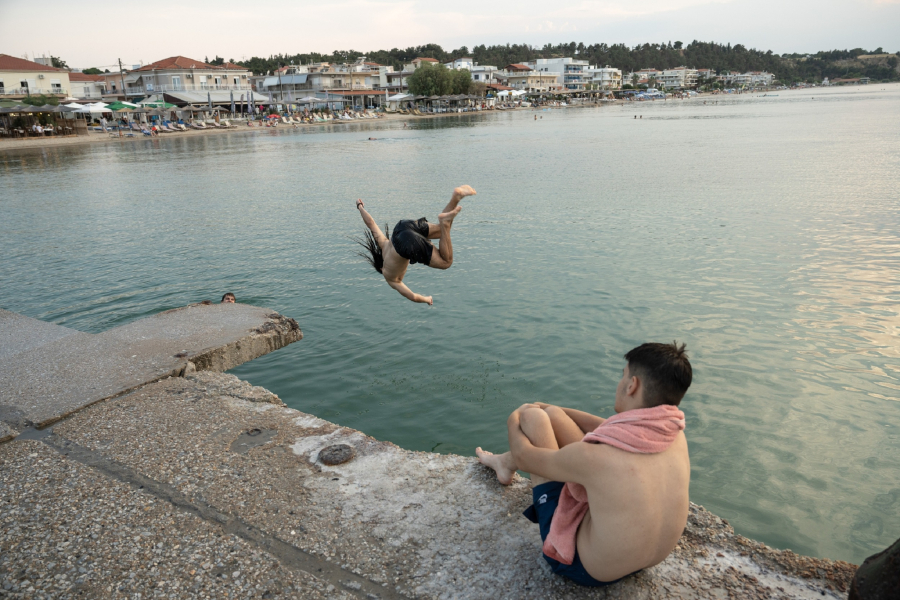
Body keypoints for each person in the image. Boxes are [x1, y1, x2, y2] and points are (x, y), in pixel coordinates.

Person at [476, 342, 693, 587]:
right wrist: (550, 408)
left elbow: (527, 457)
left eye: (622, 376)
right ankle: (504, 463)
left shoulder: (596, 458)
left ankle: (506, 461)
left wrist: (515, 417)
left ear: (632, 385)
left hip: (587, 569)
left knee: (532, 418)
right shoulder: (675, 434)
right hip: (645, 559)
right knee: (553, 415)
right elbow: (605, 427)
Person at [354, 185, 477, 305]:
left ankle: (445, 221)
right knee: (442, 231)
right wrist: (360, 207)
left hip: (404, 245)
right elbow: (371, 223)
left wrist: (427, 299)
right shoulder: (384, 244)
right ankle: (456, 197)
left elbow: (412, 296)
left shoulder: (390, 278)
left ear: (381, 268)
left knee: (446, 262)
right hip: (401, 227)